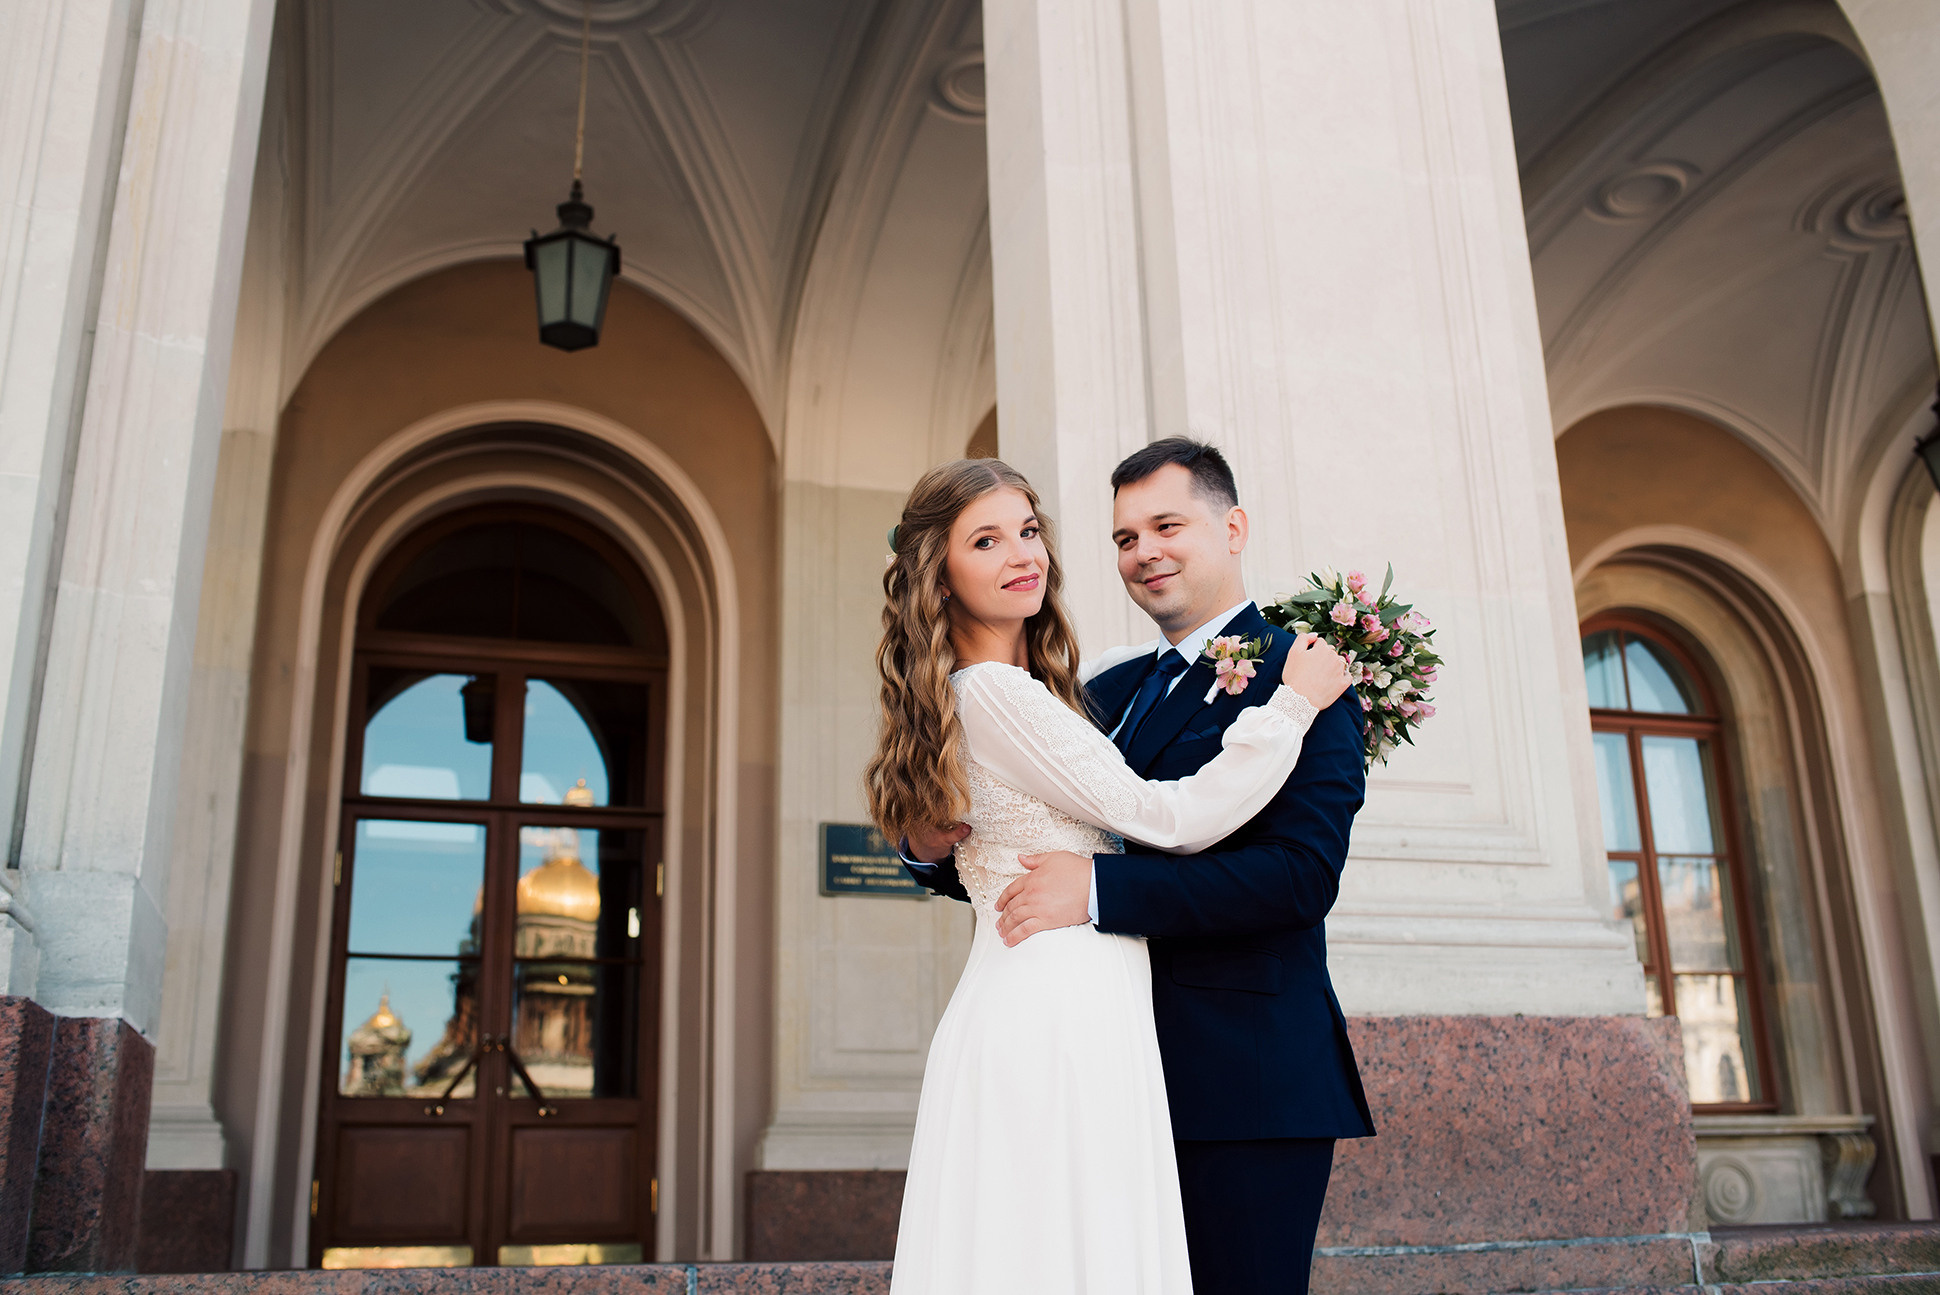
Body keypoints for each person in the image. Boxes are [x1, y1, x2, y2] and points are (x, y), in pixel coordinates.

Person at [869, 455, 1351, 1295]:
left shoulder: (1306, 673)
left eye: (1168, 527)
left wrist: (1097, 891)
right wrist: (927, 844)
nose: (1144, 552)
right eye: (1126, 536)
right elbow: (1012, 835)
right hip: (1090, 1050)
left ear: (1231, 529)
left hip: (1244, 1080)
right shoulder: (1100, 689)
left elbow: (1296, 878)